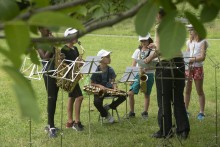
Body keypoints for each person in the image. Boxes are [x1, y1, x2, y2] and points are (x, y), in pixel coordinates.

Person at [144, 8, 190, 139]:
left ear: (159, 15)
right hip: (179, 63)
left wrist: (148, 59)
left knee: (163, 98)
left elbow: (160, 50)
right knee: (178, 98)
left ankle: (165, 130)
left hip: (165, 65)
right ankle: (183, 130)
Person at [90, 49, 126, 123]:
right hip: (99, 91)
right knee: (97, 102)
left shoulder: (111, 69)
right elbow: (91, 83)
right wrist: (99, 86)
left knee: (124, 94)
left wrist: (115, 88)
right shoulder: (96, 70)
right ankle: (106, 114)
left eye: (109, 56)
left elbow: (113, 82)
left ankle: (110, 106)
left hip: (109, 89)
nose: (110, 58)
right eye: (108, 57)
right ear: (101, 59)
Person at [37, 27, 59, 138]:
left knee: (55, 98)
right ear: (40, 29)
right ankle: (51, 126)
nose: (49, 29)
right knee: (51, 97)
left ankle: (52, 124)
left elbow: (56, 55)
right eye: (46, 28)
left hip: (56, 71)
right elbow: (44, 57)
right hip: (48, 72)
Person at [62, 28, 84, 131]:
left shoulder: (75, 49)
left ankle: (70, 122)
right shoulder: (63, 49)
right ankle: (77, 122)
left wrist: (82, 62)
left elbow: (77, 61)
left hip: (74, 76)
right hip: (68, 77)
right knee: (79, 97)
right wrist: (74, 65)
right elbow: (62, 63)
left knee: (72, 98)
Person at [128, 33, 155, 119]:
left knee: (146, 94)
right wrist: (131, 77)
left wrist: (147, 68)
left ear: (149, 40)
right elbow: (133, 64)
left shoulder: (153, 51)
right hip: (137, 74)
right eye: (142, 41)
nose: (143, 42)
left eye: (145, 40)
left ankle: (145, 112)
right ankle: (132, 112)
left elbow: (155, 65)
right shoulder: (137, 51)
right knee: (130, 93)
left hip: (149, 74)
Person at [184, 24, 208, 120]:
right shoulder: (189, 42)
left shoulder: (203, 42)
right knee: (187, 90)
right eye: (189, 30)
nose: (190, 31)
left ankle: (201, 112)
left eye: (192, 30)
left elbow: (202, 57)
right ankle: (185, 110)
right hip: (188, 68)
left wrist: (191, 60)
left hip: (198, 68)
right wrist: (186, 61)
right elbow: (186, 54)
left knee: (199, 90)